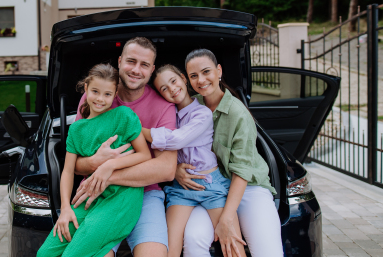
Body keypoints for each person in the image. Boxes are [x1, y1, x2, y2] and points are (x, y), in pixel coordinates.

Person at [71, 37, 178, 257]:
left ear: (152, 70)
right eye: (131, 61)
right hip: (98, 194)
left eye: (144, 65)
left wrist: (107, 171)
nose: (136, 70)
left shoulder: (163, 107)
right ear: (119, 61)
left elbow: (166, 169)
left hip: (146, 195)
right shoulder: (95, 96)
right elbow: (75, 164)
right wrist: (94, 163)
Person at [37, 63, 152, 257]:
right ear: (86, 89)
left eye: (107, 94)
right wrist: (65, 209)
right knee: (45, 254)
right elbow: (67, 171)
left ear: (115, 94)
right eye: (95, 92)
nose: (100, 99)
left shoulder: (123, 116)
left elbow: (144, 155)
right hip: (91, 196)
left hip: (121, 199)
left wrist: (110, 164)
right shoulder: (76, 129)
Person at [180, 49, 282, 257]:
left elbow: (242, 170)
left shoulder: (238, 113)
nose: (201, 80)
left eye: (206, 71)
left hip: (248, 188)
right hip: (210, 187)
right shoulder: (190, 106)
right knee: (193, 239)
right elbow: (177, 144)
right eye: (193, 76)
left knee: (268, 252)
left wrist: (227, 218)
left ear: (219, 71)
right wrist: (176, 169)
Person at [141, 64, 246, 257]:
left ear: (183, 78)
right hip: (181, 188)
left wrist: (138, 129)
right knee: (169, 249)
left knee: (232, 246)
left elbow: (177, 139)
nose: (172, 89)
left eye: (173, 81)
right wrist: (177, 167)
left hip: (211, 186)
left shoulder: (202, 113)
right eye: (164, 88)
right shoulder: (168, 116)